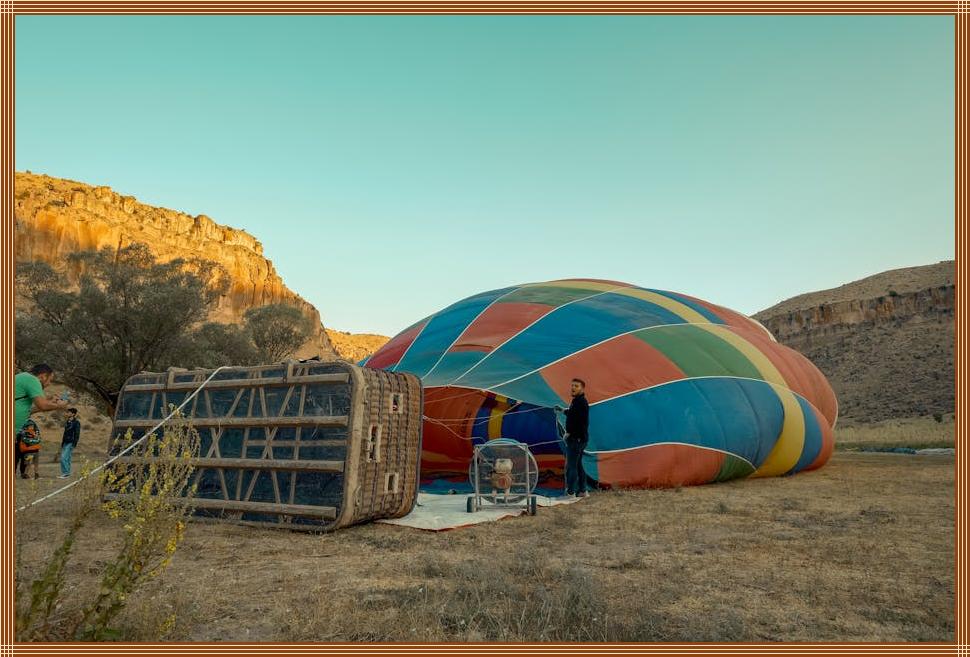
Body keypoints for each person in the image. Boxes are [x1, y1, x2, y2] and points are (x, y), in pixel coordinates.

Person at [14, 363, 69, 478]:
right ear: (43, 376)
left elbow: (29, 410)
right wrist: (60, 406)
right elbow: (43, 405)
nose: (49, 384)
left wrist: (51, 403)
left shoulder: (23, 378)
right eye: (50, 380)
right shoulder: (32, 380)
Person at [561, 378, 590, 498]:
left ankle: (571, 492)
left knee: (571, 466)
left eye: (576, 386)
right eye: (572, 385)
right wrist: (563, 411)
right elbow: (574, 414)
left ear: (582, 389)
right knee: (578, 465)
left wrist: (569, 433)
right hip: (580, 439)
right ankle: (583, 490)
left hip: (576, 439)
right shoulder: (577, 401)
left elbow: (580, 423)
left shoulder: (581, 402)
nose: (573, 387)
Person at [59, 408, 81, 479]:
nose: (68, 413)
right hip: (65, 442)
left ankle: (65, 473)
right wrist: (62, 442)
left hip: (71, 442)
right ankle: (67, 473)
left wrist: (74, 443)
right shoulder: (67, 422)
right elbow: (65, 433)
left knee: (63, 457)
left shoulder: (76, 423)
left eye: (69, 412)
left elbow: (77, 434)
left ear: (73, 414)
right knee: (67, 458)